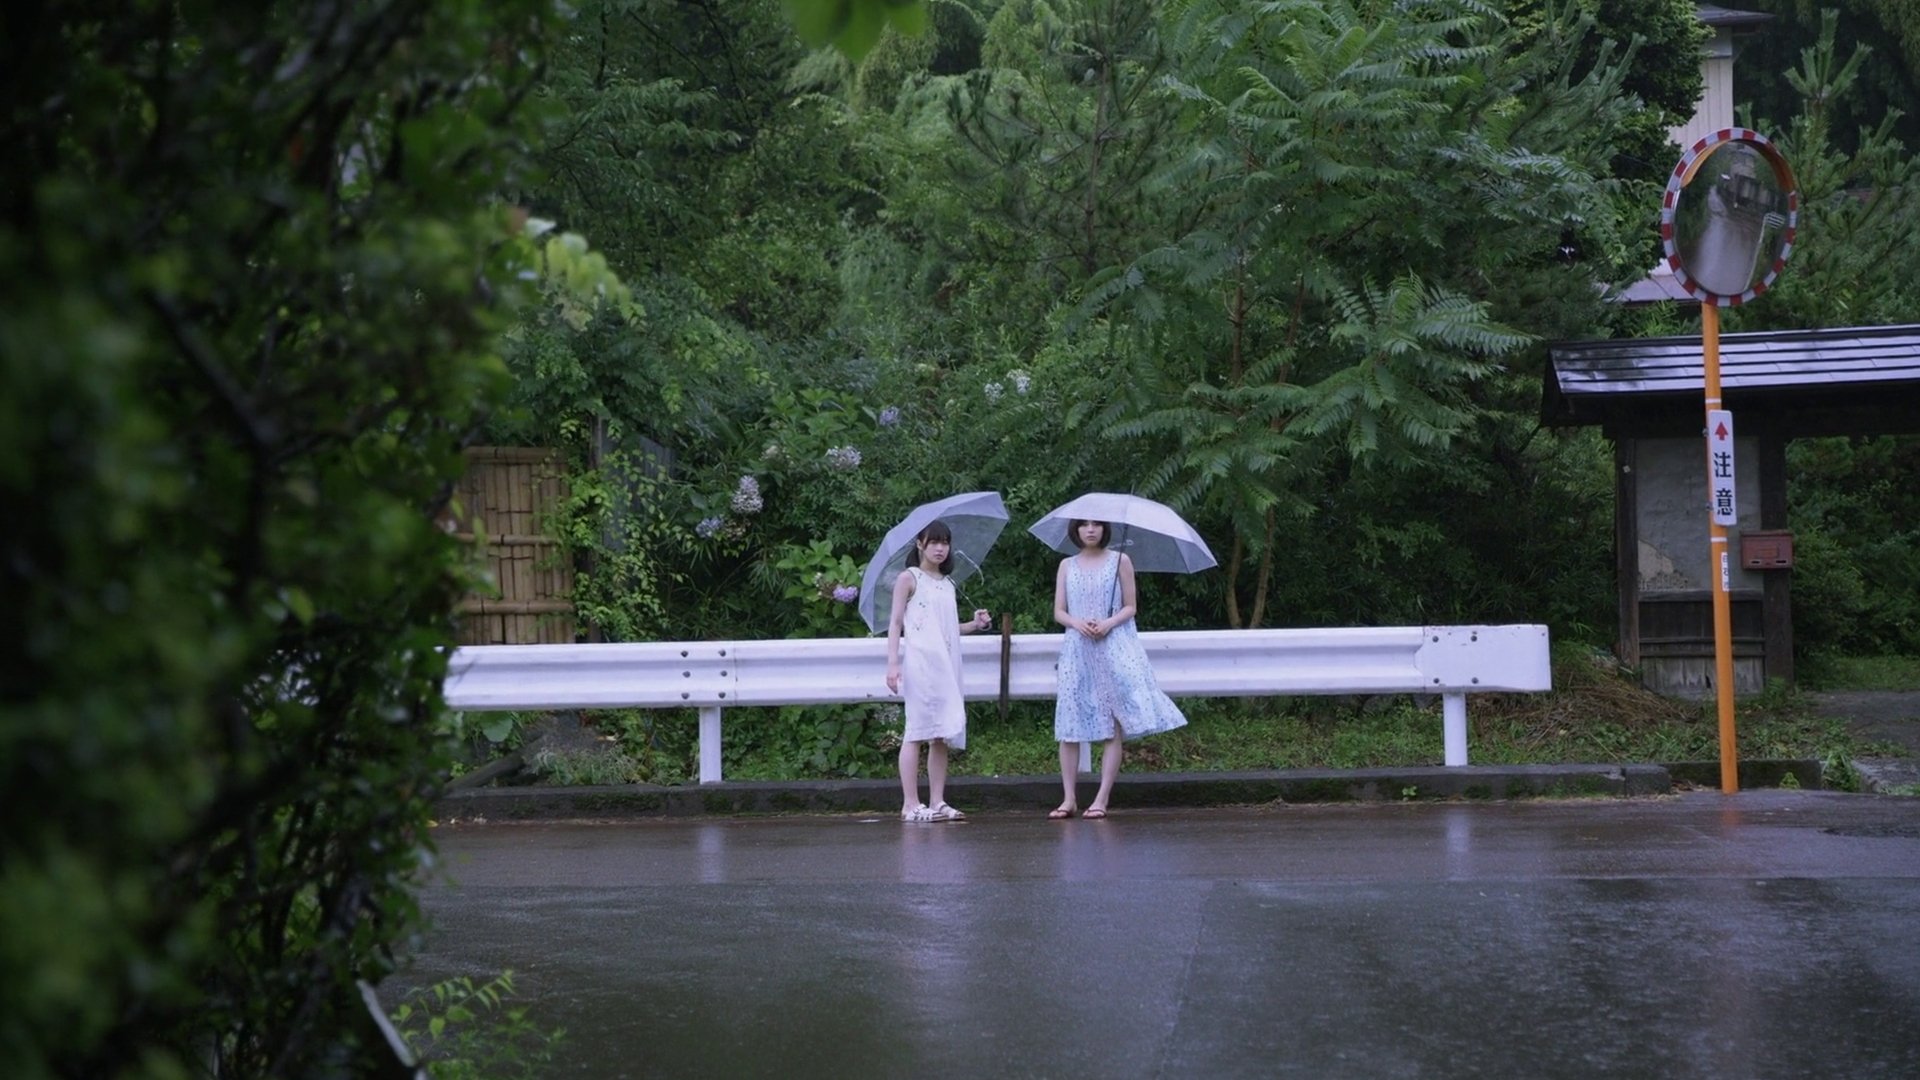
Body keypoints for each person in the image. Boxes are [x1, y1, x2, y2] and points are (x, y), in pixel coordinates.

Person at [1049, 519, 1186, 819]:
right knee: (1070, 721)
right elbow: (1059, 611)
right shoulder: (1066, 565)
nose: (1090, 530)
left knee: (1112, 722)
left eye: (1096, 524)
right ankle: (1068, 798)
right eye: (1084, 525)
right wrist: (1077, 623)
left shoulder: (1120, 560)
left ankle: (1102, 798)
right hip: (1077, 647)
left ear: (1105, 529)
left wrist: (1108, 623)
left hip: (1111, 645)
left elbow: (1130, 606)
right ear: (1075, 530)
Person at [885, 519, 992, 823]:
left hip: (947, 663)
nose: (940, 548)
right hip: (921, 663)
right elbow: (896, 623)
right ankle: (909, 804)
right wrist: (892, 663)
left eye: (944, 542)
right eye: (933, 542)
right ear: (920, 544)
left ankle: (937, 800)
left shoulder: (947, 583)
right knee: (916, 730)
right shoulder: (908, 578)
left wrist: (975, 624)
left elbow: (947, 627)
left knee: (941, 734)